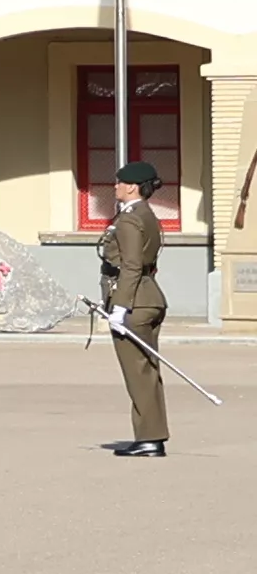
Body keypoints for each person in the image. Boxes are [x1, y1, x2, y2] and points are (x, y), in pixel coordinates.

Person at [99, 158, 170, 457]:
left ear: (131, 187)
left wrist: (120, 307)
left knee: (138, 373)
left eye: (119, 182)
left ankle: (149, 439)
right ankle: (152, 435)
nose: (115, 186)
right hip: (149, 297)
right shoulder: (146, 214)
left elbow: (130, 266)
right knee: (148, 371)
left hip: (134, 303)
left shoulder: (128, 219)